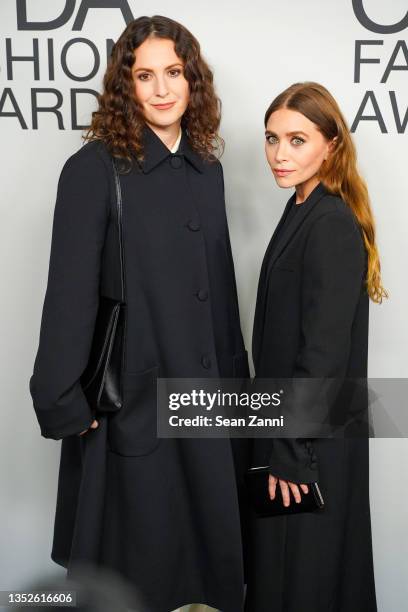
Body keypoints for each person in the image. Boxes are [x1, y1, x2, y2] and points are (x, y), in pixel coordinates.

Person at [29, 15, 250, 612]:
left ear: (192, 80)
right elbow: (68, 297)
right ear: (125, 87)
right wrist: (61, 399)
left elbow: (221, 300)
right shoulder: (93, 170)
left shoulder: (209, 169)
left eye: (173, 73)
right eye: (144, 75)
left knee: (205, 579)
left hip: (206, 405)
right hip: (134, 405)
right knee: (136, 581)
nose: (161, 89)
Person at [245, 82, 386, 611]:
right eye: (271, 138)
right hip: (291, 432)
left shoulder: (328, 223)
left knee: (299, 582)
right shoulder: (302, 207)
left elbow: (322, 357)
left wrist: (290, 454)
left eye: (297, 140)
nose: (279, 154)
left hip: (306, 446)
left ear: (331, 145)